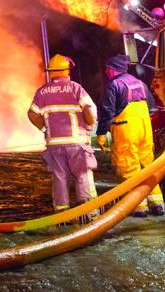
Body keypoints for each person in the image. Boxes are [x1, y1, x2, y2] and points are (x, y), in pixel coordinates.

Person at [28, 54, 98, 214]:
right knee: (82, 175)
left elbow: (32, 114)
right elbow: (88, 109)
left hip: (54, 144)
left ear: (51, 72)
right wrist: (90, 125)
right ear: (66, 70)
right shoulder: (75, 88)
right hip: (77, 143)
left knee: (59, 177)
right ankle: (88, 213)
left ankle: (62, 214)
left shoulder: (42, 92)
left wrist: (45, 129)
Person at [96, 54, 164, 217]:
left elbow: (107, 111)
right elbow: (152, 107)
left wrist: (101, 133)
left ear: (113, 69)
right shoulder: (140, 83)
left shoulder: (114, 85)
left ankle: (138, 206)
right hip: (144, 129)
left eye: (107, 69)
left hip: (126, 130)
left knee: (129, 167)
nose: (106, 72)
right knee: (148, 165)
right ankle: (157, 203)